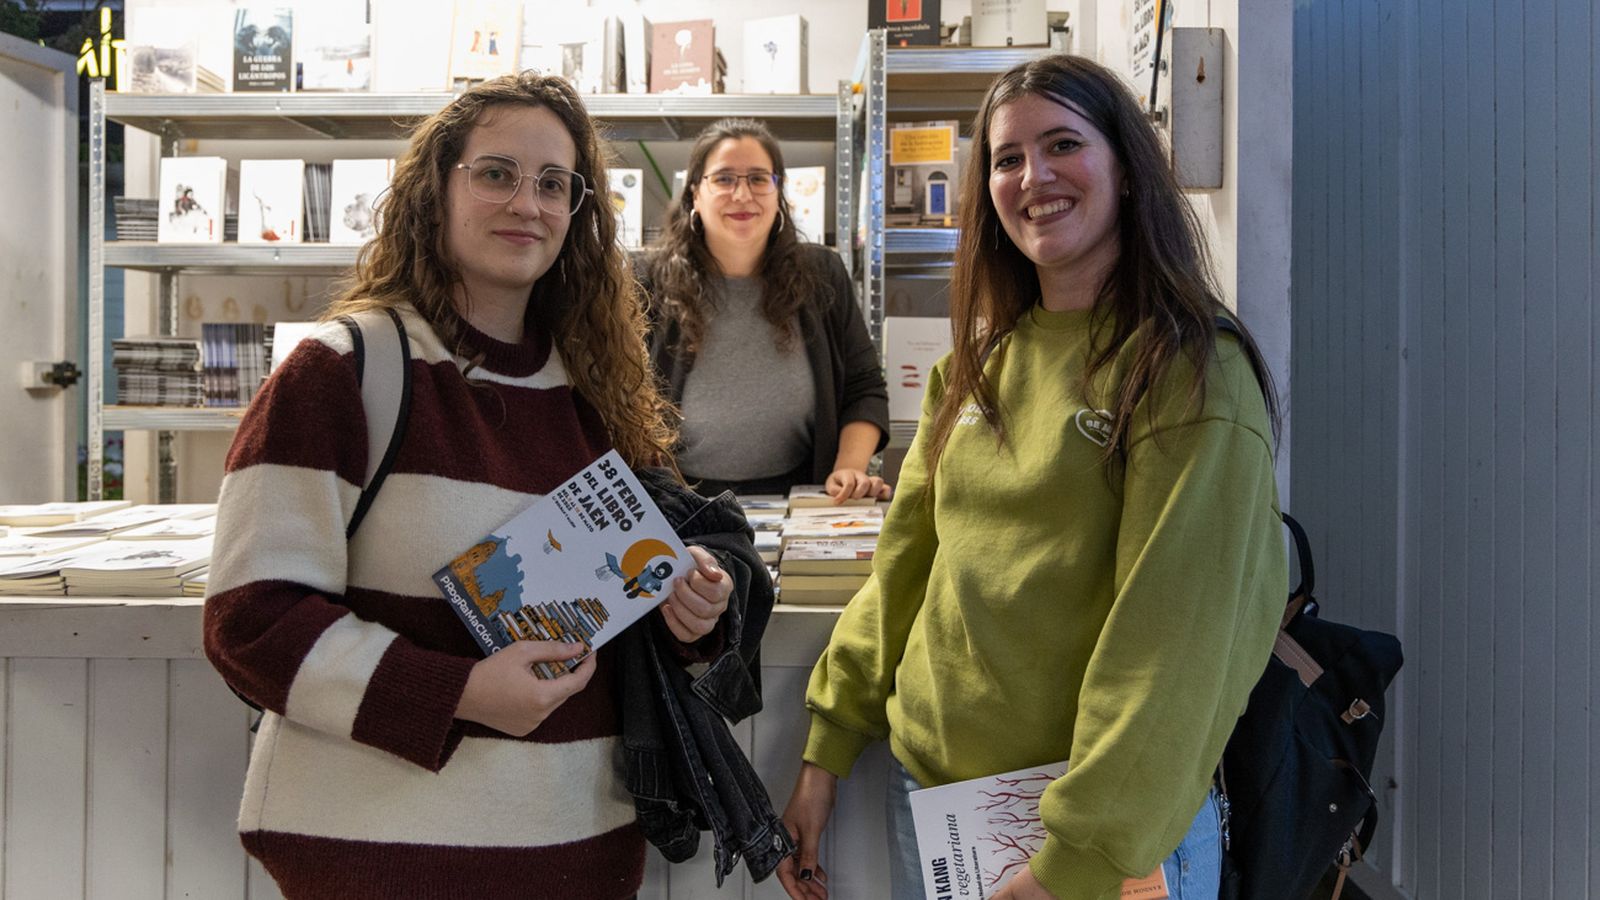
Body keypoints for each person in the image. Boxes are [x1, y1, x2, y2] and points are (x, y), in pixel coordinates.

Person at [203, 73, 737, 900]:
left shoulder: (593, 393)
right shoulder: (343, 370)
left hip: (577, 856)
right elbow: (251, 619)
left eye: (553, 184)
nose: (527, 202)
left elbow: (619, 604)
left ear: (577, 212)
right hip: (384, 861)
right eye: (496, 173)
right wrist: (457, 694)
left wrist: (689, 603)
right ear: (434, 189)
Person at [775, 55, 1288, 900]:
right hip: (937, 804)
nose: (1032, 176)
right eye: (1006, 159)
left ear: (1126, 168)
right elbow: (907, 574)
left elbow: (1179, 643)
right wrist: (827, 747)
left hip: (1085, 842)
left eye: (1062, 145)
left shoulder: (1189, 372)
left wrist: (1079, 859)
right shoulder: (976, 367)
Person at [643, 118, 892, 502]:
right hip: (676, 503)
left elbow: (864, 388)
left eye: (759, 179)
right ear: (695, 193)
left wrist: (849, 468)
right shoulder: (647, 281)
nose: (743, 195)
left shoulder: (823, 274)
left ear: (778, 192)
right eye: (724, 179)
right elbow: (613, 397)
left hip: (798, 496)